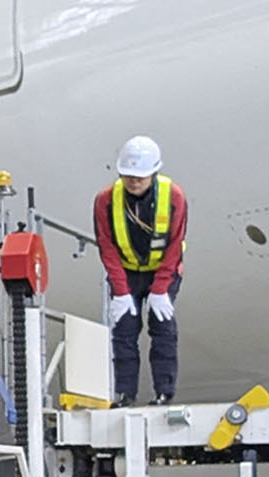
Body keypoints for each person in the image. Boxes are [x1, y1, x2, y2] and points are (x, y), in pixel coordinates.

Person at [94, 135, 187, 406]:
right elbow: (107, 247)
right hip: (126, 272)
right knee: (124, 330)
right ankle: (125, 393)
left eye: (140, 177)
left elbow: (174, 245)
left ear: (153, 173)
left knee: (163, 328)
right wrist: (121, 292)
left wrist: (161, 291)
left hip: (164, 271)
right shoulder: (106, 200)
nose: (134, 182)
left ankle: (164, 391)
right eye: (128, 176)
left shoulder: (174, 197)